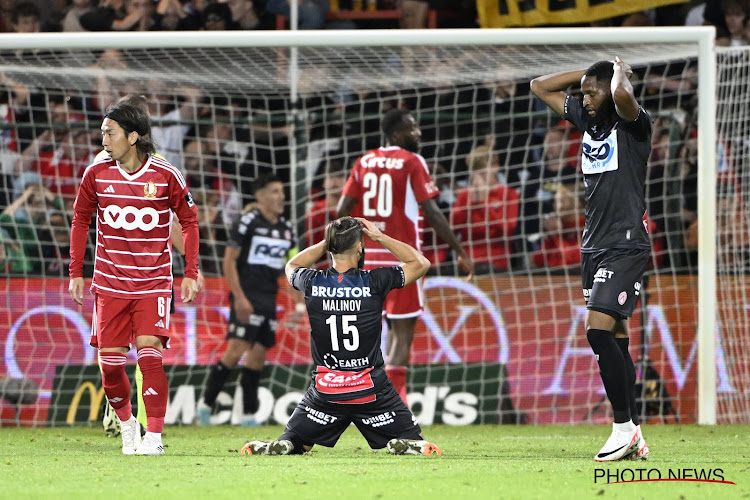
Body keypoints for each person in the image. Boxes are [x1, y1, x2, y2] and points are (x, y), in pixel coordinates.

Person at [531, 57, 652, 462]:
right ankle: (634, 431)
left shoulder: (634, 124)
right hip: (592, 245)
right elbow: (539, 86)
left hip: (625, 242)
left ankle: (621, 429)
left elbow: (619, 94)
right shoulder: (590, 121)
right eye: (583, 92)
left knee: (596, 330)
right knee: (616, 338)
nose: (585, 97)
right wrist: (585, 72)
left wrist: (619, 75)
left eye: (590, 91)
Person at [241, 216, 441, 456]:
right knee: (412, 437)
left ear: (330, 247)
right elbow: (420, 263)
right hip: (370, 390)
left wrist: (326, 243)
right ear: (360, 247)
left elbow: (291, 266)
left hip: (326, 392)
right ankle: (407, 443)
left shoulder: (312, 282)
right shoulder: (374, 281)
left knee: (296, 438)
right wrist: (380, 236)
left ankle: (289, 442)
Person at [68, 102, 201, 455]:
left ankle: (154, 439)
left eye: (109, 133)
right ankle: (128, 427)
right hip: (109, 283)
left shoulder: (165, 174)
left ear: (132, 136)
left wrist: (191, 272)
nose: (103, 139)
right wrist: (75, 271)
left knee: (149, 355)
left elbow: (189, 221)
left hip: (153, 282)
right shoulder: (96, 174)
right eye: (102, 133)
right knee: (111, 368)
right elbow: (80, 219)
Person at [336, 108, 474, 405]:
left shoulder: (364, 161)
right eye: (412, 128)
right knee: (402, 332)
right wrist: (459, 250)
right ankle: (397, 402)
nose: (418, 133)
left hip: (364, 259)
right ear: (397, 133)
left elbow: (342, 208)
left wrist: (345, 247)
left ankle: (357, 397)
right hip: (402, 260)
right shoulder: (412, 161)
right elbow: (432, 212)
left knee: (366, 333)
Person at [197, 174, 298, 427]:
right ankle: (205, 407)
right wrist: (239, 298)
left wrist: (299, 304)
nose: (281, 196)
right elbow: (229, 260)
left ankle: (249, 416)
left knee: (258, 356)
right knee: (236, 349)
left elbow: (293, 265)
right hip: (246, 295)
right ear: (260, 196)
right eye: (275, 191)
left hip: (268, 298)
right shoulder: (247, 222)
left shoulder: (287, 229)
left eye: (282, 191)